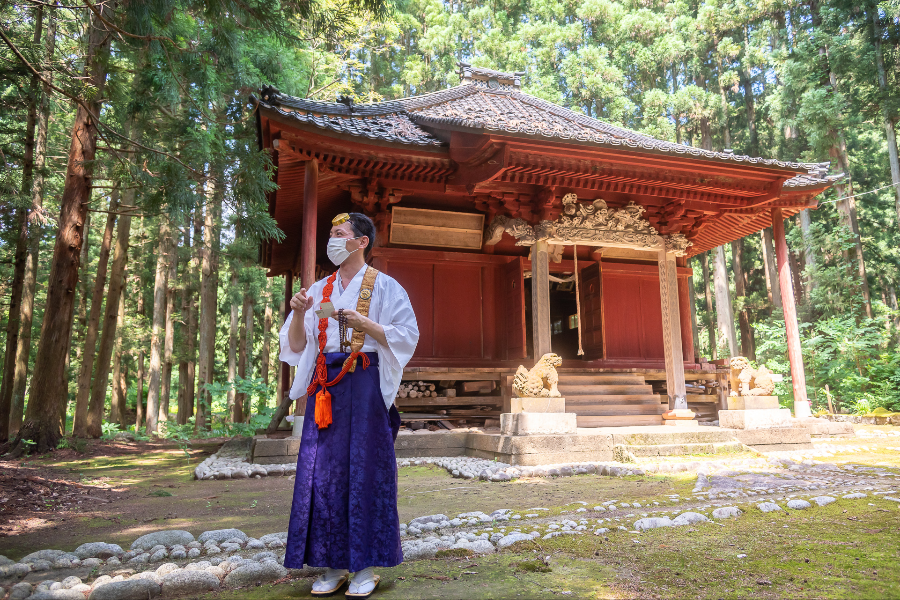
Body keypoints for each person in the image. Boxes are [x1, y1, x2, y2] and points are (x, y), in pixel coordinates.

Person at [279, 212, 419, 598]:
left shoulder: (386, 287)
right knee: (322, 472)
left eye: (340, 234)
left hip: (364, 382)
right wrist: (299, 312)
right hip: (326, 387)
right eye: (330, 234)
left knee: (366, 469)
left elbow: (408, 336)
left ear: (361, 242)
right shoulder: (318, 288)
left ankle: (365, 567)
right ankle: (332, 563)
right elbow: (294, 346)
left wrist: (366, 324)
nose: (332, 240)